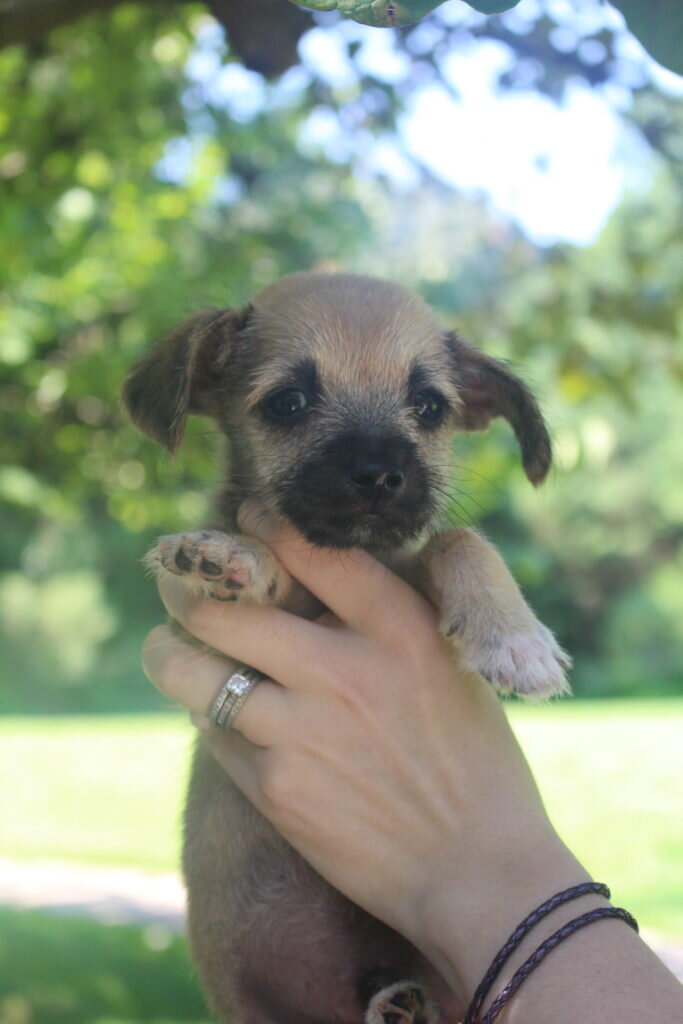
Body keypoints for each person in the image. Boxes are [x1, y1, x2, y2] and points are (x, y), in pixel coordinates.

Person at [142, 504, 683, 1024]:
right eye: (290, 403)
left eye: (425, 407)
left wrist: (474, 577)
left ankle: (396, 995)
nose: (376, 465)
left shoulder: (436, 558)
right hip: (268, 979)